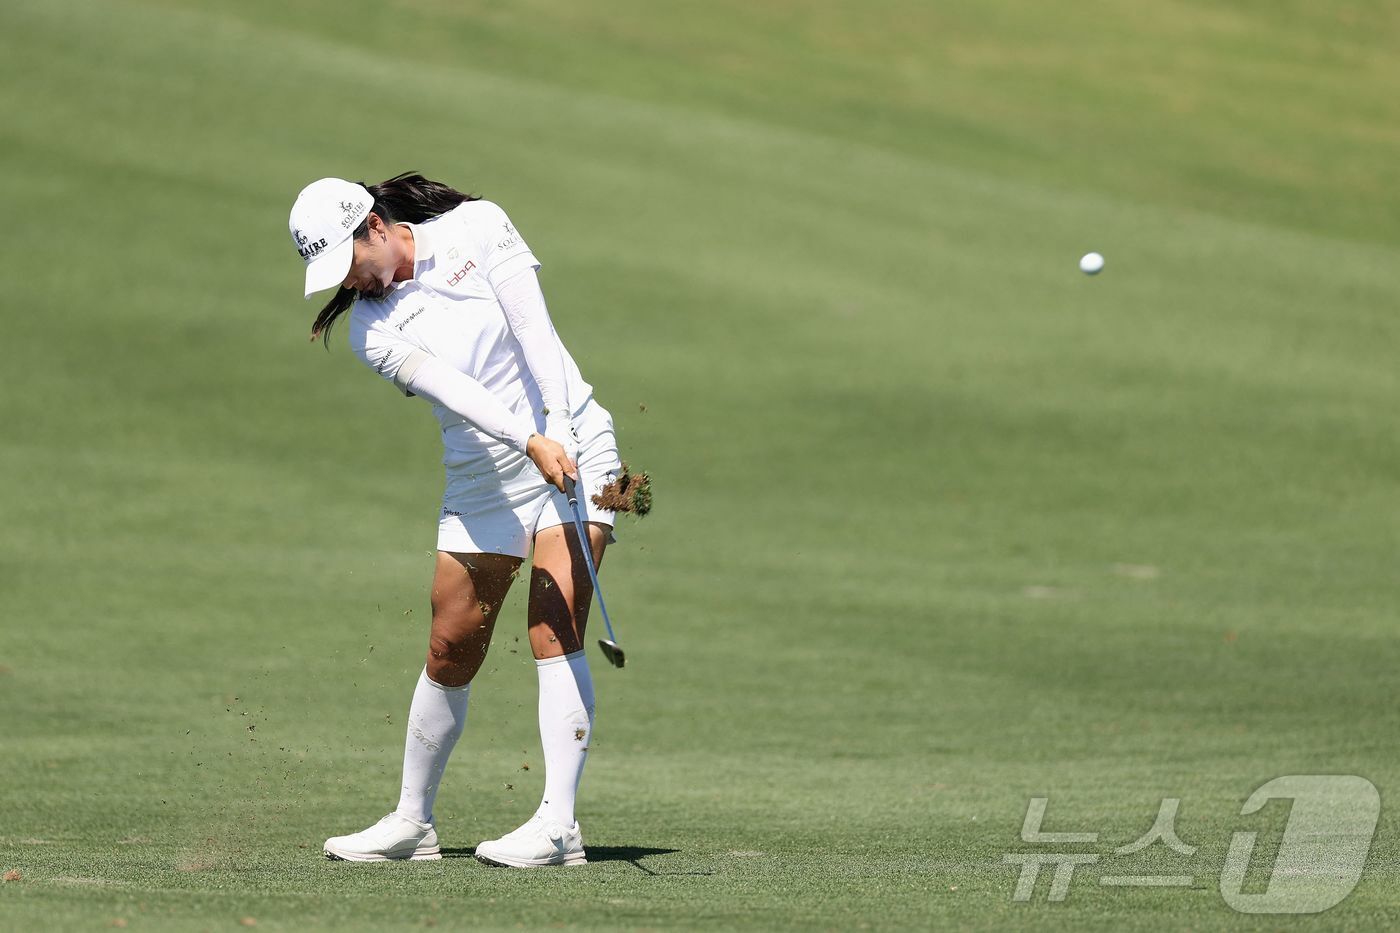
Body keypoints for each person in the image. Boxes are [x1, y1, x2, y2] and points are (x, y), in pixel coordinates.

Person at [288, 173, 621, 867]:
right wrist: (529, 441)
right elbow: (459, 393)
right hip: (483, 476)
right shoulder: (369, 330)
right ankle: (413, 822)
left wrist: (555, 427)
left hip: (578, 442)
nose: (352, 284)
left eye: (350, 263)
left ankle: (559, 825)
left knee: (552, 625)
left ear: (375, 226)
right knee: (449, 647)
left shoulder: (477, 225)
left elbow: (535, 325)